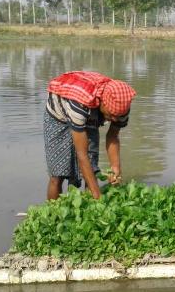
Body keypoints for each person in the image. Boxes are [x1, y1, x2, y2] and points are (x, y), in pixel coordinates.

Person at [43, 71, 136, 200]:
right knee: (57, 174)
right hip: (59, 115)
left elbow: (113, 136)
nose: (114, 119)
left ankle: (89, 207)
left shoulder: (121, 109)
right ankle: (52, 214)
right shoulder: (80, 104)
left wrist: (115, 167)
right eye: (111, 114)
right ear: (103, 103)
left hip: (89, 112)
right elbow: (82, 154)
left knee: (92, 168)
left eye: (118, 116)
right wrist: (98, 196)